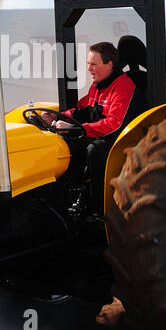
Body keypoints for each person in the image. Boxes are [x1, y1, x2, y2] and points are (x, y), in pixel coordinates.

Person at [40, 42, 139, 207]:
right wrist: (57, 116)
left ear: (109, 65)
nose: (89, 69)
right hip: (100, 135)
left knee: (94, 150)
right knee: (62, 143)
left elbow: (114, 124)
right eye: (88, 64)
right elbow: (81, 109)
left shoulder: (123, 87)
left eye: (93, 64)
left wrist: (77, 129)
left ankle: (98, 208)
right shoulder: (97, 87)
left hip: (121, 141)